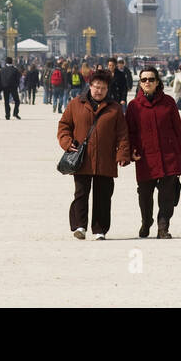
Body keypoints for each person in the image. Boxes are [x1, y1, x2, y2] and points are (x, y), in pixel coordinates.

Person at [58, 69, 131, 239]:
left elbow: (122, 133)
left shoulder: (114, 108)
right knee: (81, 193)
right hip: (82, 157)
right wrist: (67, 143)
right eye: (96, 87)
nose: (99, 91)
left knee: (103, 196)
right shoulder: (76, 104)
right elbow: (64, 126)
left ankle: (100, 230)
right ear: (89, 86)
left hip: (106, 158)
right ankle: (79, 226)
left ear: (108, 89)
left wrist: (123, 154)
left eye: (103, 88)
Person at [126, 66, 181, 238]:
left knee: (167, 194)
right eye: (144, 80)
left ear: (157, 82)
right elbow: (129, 132)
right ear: (140, 83)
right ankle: (146, 221)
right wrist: (131, 150)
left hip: (169, 155)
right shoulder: (133, 106)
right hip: (145, 156)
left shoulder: (168, 102)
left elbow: (178, 130)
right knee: (145, 193)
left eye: (151, 79)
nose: (147, 83)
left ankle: (163, 226)